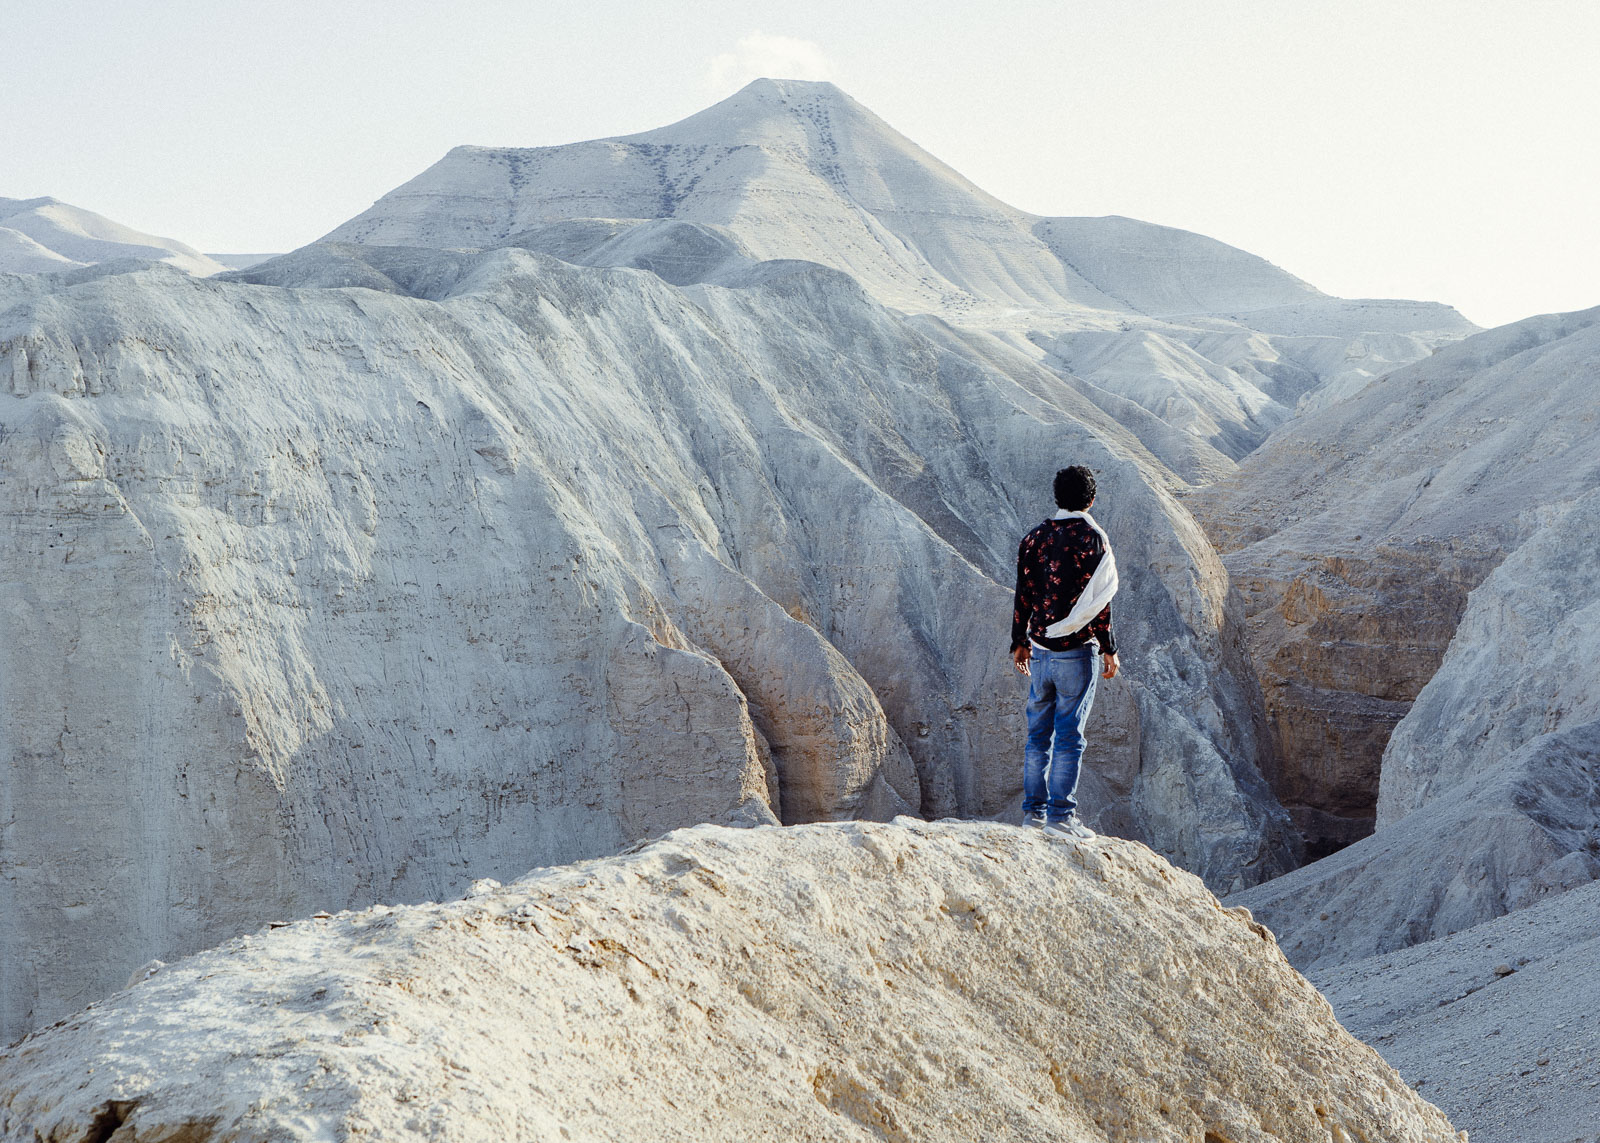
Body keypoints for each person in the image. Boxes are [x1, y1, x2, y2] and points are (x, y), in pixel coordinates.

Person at [1009, 465, 1119, 839]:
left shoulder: (1033, 538)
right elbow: (1100, 601)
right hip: (1076, 652)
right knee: (1069, 736)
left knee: (1037, 736)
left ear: (1057, 496)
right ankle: (1060, 818)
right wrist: (1109, 648)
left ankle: (1033, 815)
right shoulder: (1094, 538)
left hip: (1038, 651)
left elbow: (1022, 593)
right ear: (1091, 499)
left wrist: (1019, 642)